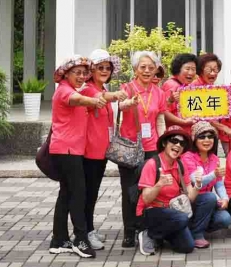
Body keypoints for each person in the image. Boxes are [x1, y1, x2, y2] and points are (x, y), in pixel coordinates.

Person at [49, 56, 105, 258]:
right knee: (78, 195)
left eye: (84, 73)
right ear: (66, 74)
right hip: (67, 151)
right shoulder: (65, 91)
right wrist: (94, 100)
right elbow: (78, 100)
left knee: (66, 194)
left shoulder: (72, 89)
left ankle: (59, 240)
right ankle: (80, 240)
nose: (82, 76)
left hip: (70, 150)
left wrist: (108, 97)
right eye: (77, 73)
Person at [117, 51, 168, 247]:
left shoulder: (159, 92)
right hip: (130, 147)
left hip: (152, 147)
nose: (147, 71)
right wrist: (128, 104)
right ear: (135, 69)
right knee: (129, 190)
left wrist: (163, 144)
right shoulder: (127, 88)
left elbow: (160, 120)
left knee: (149, 190)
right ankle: (129, 231)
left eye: (151, 67)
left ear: (156, 70)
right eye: (143, 67)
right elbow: (118, 107)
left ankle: (145, 228)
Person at [80, 50, 127, 252]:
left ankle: (89, 229)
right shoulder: (88, 89)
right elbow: (101, 97)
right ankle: (85, 232)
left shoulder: (101, 87)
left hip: (101, 152)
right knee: (88, 193)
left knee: (93, 192)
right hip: (90, 151)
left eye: (108, 68)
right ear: (92, 70)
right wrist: (115, 95)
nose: (105, 71)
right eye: (100, 67)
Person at [135, 127, 199, 256]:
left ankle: (160, 237)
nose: (178, 145)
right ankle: (148, 233)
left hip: (173, 212)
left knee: (187, 247)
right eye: (174, 140)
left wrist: (198, 185)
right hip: (152, 211)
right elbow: (146, 199)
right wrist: (159, 185)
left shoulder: (180, 165)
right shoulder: (152, 164)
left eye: (182, 143)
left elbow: (191, 197)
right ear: (164, 143)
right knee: (181, 218)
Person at [181, 121, 231, 246]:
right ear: (194, 140)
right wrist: (214, 174)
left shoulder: (214, 158)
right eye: (202, 137)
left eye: (210, 137)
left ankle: (192, 228)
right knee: (210, 197)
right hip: (190, 200)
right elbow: (196, 181)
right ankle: (197, 234)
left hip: (207, 203)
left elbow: (219, 184)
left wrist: (225, 198)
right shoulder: (187, 157)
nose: (207, 140)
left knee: (225, 219)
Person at [162, 53, 199, 136]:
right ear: (178, 69)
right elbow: (164, 112)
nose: (191, 72)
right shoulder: (171, 85)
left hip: (187, 132)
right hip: (176, 134)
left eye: (193, 69)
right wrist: (184, 122)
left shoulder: (187, 86)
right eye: (187, 69)